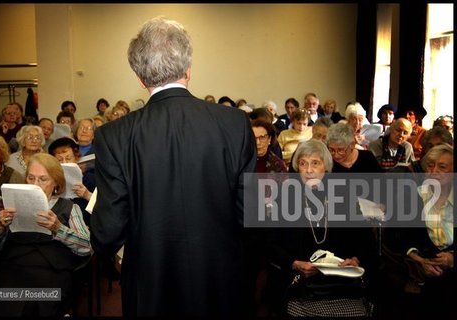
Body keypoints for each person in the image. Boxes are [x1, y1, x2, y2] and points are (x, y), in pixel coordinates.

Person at [90, 17, 256, 317]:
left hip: (150, 280)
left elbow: (107, 231)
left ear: (140, 78)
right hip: (219, 277)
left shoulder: (113, 135)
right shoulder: (235, 124)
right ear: (188, 70)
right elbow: (250, 213)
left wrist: (109, 255)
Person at [266, 140, 375, 318]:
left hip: (342, 284)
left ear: (326, 167)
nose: (309, 170)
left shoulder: (343, 196)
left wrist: (355, 259)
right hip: (301, 285)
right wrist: (294, 263)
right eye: (303, 163)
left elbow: (366, 239)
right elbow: (270, 245)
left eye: (315, 163)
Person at [0, 153, 91, 317]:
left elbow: (87, 247)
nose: (36, 185)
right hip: (14, 269)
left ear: (56, 184)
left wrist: (59, 228)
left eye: (43, 179)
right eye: (31, 178)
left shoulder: (68, 208)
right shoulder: (12, 206)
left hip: (52, 271)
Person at [401, 144, 454, 317]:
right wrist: (418, 259)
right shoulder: (414, 196)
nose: (434, 170)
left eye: (442, 167)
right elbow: (400, 236)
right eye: (430, 165)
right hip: (423, 266)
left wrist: (453, 258)